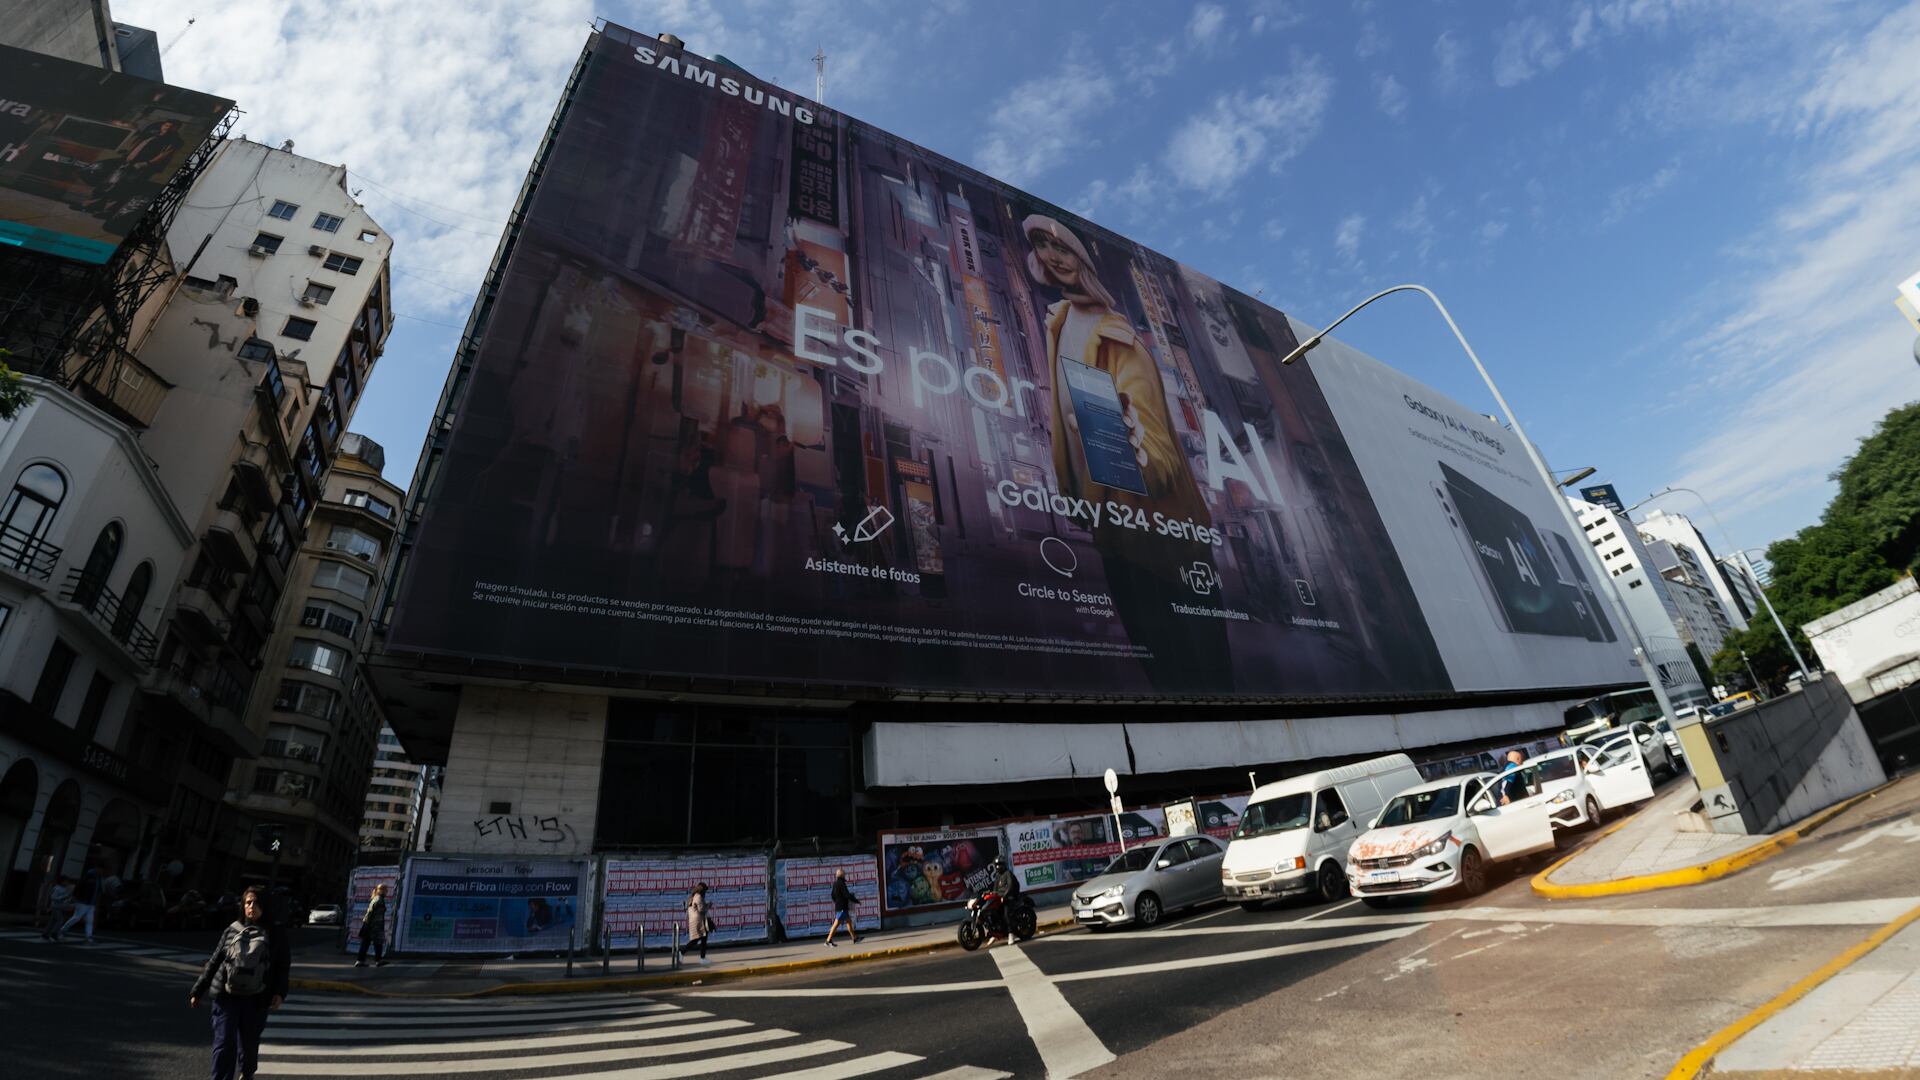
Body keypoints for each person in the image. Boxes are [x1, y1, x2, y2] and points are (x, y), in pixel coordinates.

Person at [1022, 214, 1229, 694]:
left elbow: (1159, 461)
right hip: (1115, 532)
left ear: (1083, 257)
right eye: (1042, 247)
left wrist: (1117, 432)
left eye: (1065, 248)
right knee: (1160, 672)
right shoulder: (1059, 324)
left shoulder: (1122, 341)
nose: (1054, 257)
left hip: (1166, 541)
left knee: (1203, 680)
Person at [190, 886, 291, 1080]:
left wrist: (280, 992)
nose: (251, 906)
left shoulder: (276, 932)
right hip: (226, 995)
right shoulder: (232, 929)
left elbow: (283, 965)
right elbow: (215, 960)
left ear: (265, 906)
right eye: (247, 902)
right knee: (224, 1042)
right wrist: (198, 989)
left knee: (249, 1043)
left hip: (257, 997)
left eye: (255, 902)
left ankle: (246, 1072)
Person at [58, 866, 101, 943]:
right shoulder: (93, 877)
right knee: (79, 918)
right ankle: (63, 930)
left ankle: (88, 936)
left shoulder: (93, 877)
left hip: (87, 901)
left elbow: (79, 887)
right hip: (85, 901)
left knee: (86, 919)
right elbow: (81, 887)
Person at [354, 883, 389, 967]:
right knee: (377, 942)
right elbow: (372, 914)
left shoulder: (376, 898)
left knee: (366, 943)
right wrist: (373, 925)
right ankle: (378, 960)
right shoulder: (379, 900)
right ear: (382, 891)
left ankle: (361, 961)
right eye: (385, 890)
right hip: (374, 925)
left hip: (369, 924)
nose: (387, 892)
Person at [824, 869, 861, 947]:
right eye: (844, 874)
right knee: (836, 924)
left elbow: (832, 895)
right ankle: (828, 940)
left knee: (848, 922)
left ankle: (855, 938)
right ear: (842, 875)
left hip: (840, 906)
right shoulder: (841, 883)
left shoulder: (835, 884)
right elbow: (847, 894)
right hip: (842, 908)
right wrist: (856, 900)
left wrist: (837, 902)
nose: (845, 875)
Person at [685, 882, 714, 965]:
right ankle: (682, 952)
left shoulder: (694, 896)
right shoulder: (698, 897)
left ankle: (702, 958)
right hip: (698, 920)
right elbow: (702, 909)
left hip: (696, 920)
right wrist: (708, 905)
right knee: (697, 939)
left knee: (701, 938)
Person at [40, 876, 71, 940]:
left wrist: (66, 898)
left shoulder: (62, 888)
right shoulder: (57, 888)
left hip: (58, 906)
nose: (67, 883)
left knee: (52, 921)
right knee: (60, 920)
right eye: (66, 881)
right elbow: (53, 897)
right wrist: (63, 897)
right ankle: (54, 933)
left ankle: (45, 934)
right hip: (56, 906)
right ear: (62, 882)